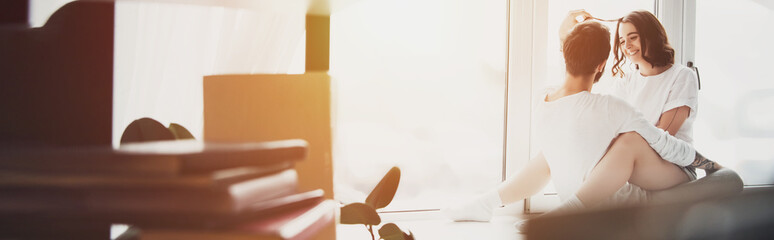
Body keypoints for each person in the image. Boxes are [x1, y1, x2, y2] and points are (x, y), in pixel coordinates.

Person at [442, 15, 720, 223]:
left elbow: (661, 139)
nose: (627, 46)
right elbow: (592, 106)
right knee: (553, 150)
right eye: (622, 41)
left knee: (631, 140)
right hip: (636, 161)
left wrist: (707, 163)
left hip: (671, 164)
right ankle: (487, 203)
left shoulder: (681, 75)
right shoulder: (626, 82)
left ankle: (564, 217)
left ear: (651, 36)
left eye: (633, 37)